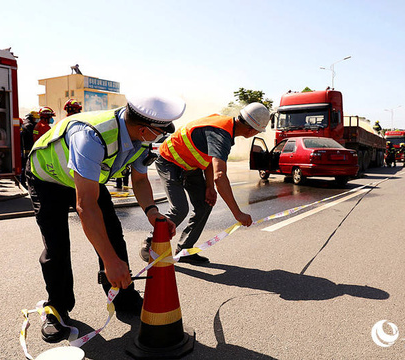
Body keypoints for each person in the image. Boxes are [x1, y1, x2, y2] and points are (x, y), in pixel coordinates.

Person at [25, 94, 182, 343]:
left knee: (113, 236)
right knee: (57, 245)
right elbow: (85, 206)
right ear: (143, 128)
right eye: (161, 133)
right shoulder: (90, 135)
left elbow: (139, 180)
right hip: (48, 179)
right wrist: (110, 261)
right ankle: (57, 307)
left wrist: (152, 212)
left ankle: (123, 297)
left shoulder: (141, 139)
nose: (162, 138)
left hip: (87, 179)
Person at [140, 103, 270, 264]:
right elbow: (220, 175)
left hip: (191, 166)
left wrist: (209, 187)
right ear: (252, 130)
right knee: (180, 208)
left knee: (204, 204)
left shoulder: (226, 126)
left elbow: (209, 160)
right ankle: (149, 243)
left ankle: (185, 250)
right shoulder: (221, 134)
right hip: (169, 160)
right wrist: (237, 213)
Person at [20, 112, 38, 187]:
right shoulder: (30, 126)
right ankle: (24, 182)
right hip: (29, 149)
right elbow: (32, 138)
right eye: (35, 118)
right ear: (32, 118)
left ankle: (22, 181)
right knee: (27, 167)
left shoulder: (24, 125)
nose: (36, 120)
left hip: (24, 149)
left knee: (24, 166)